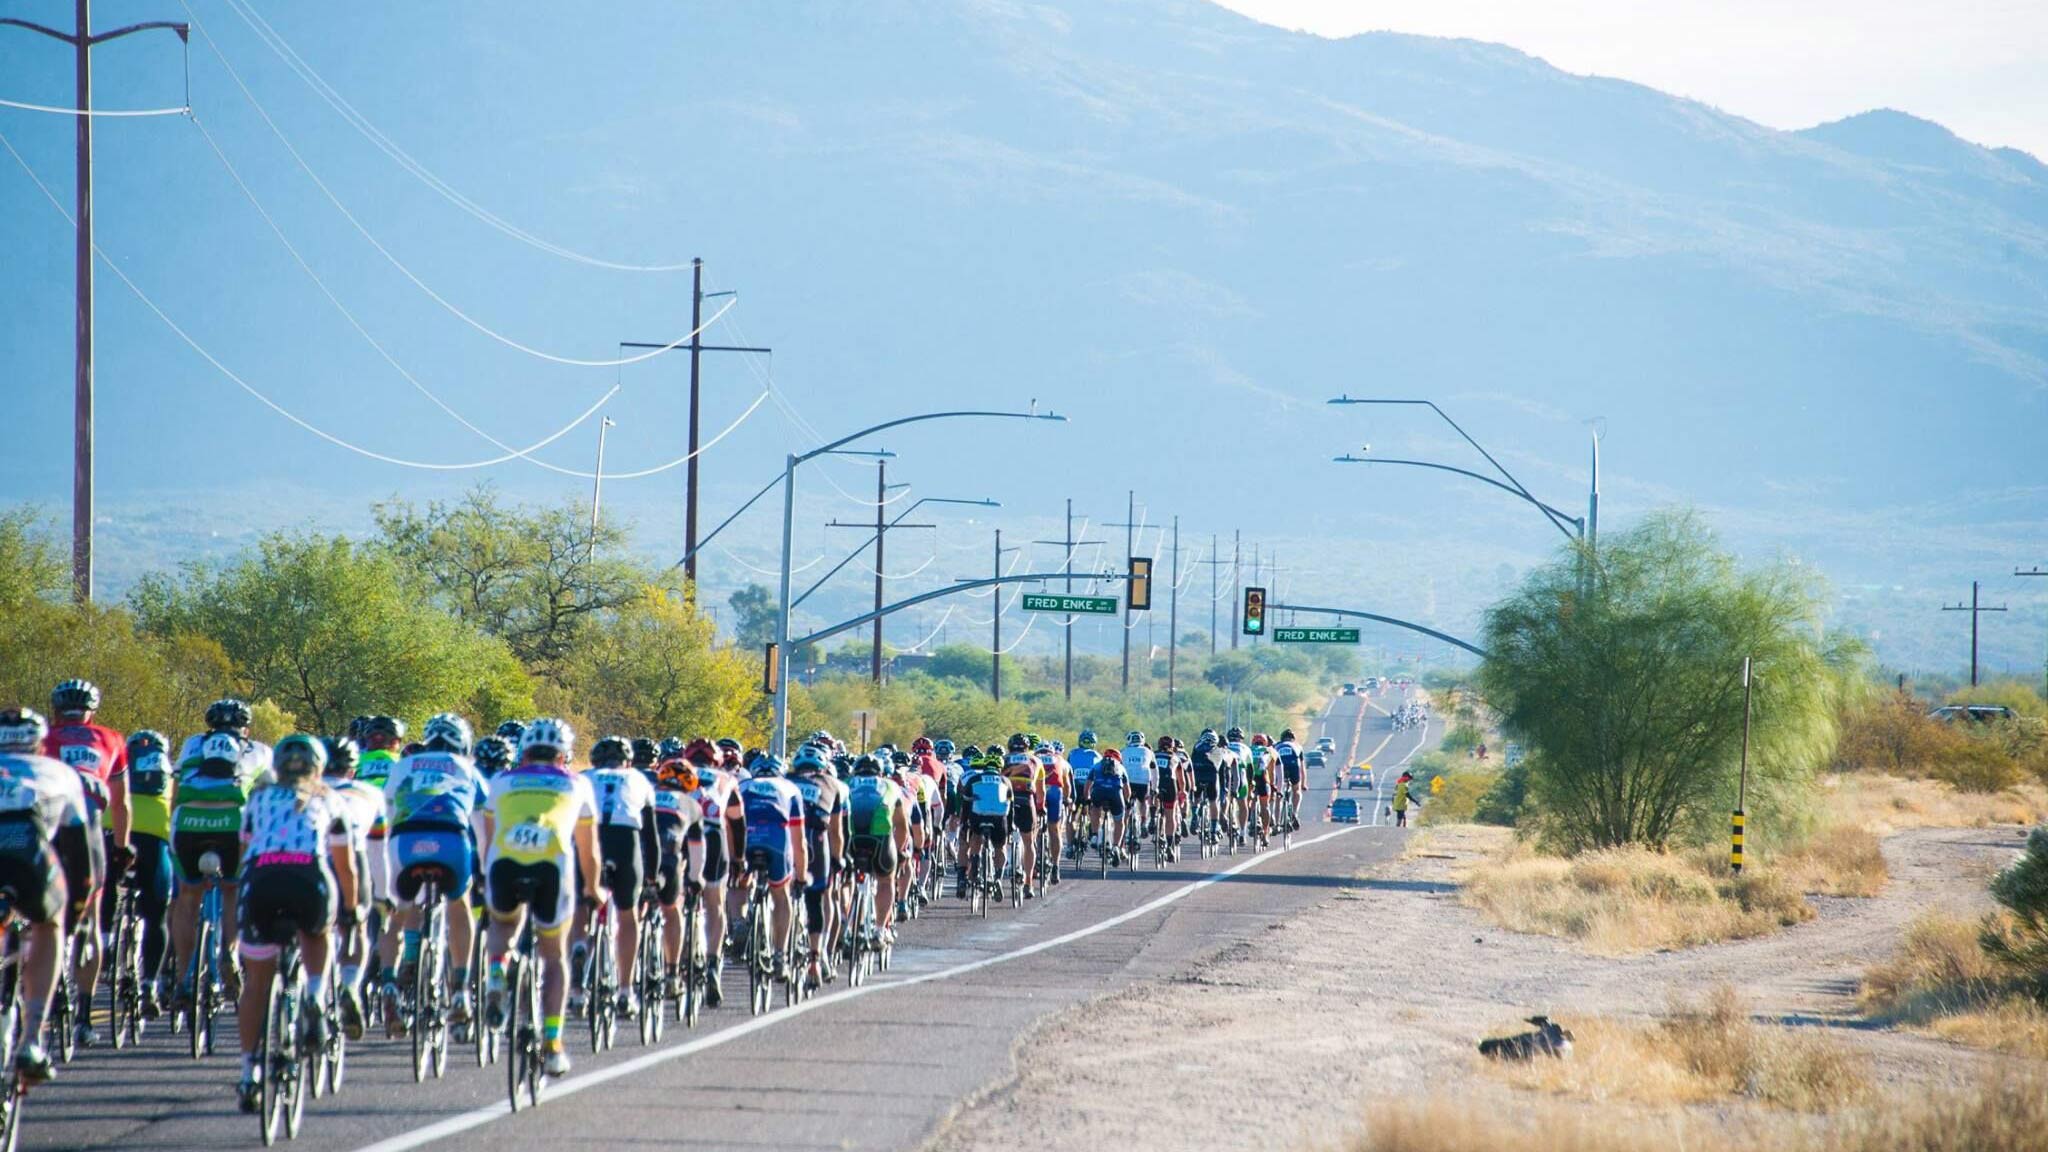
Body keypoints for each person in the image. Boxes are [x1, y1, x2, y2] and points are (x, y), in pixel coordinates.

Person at [233, 735, 356, 1114]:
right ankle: (317, 996)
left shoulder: (257, 800)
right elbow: (346, 866)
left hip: (262, 883)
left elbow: (244, 857)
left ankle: (249, 1070)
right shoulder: (332, 799)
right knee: (318, 933)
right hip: (308, 879)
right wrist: (351, 910)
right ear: (319, 768)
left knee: (256, 983)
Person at [480, 719, 604, 1078]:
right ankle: (553, 1043)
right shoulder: (577, 783)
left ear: (524, 751)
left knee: (504, 924)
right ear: (564, 754)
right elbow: (588, 851)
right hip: (552, 866)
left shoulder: (501, 781)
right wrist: (592, 888)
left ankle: (497, 971)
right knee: (554, 956)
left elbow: (489, 839)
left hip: (504, 863)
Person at [0, 708, 96, 1083]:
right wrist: (75, 916)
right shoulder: (60, 773)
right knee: (49, 925)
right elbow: (81, 858)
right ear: (40, 745)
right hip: (29, 858)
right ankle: (32, 1038)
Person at [380, 713, 486, 1032]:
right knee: (459, 903)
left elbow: (386, 812)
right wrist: (484, 866)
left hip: (405, 841)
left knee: (398, 910)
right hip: (451, 840)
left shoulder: (402, 766)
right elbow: (482, 825)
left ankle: (390, 980)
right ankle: (461, 990)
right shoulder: (468, 769)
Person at [170, 699, 273, 1018]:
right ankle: (229, 953)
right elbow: (268, 798)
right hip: (233, 824)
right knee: (232, 891)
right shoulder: (259, 750)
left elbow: (175, 792)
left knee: (187, 897)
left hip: (188, 823)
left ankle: (184, 978)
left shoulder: (192, 745)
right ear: (246, 728)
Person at [43, 679, 128, 1048]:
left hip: (48, 831)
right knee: (90, 918)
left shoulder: (42, 738)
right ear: (91, 711)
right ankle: (83, 1016)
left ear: (56, 711)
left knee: (38, 915)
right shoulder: (111, 739)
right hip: (89, 830)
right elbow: (122, 804)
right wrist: (123, 848)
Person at [584, 735, 659, 1016]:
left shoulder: (584, 778)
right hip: (625, 841)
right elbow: (650, 837)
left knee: (584, 906)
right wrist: (652, 878)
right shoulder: (639, 780)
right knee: (628, 915)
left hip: (593, 838)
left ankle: (579, 979)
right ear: (628, 762)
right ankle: (626, 990)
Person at [320, 735, 385, 1040]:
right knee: (356, 928)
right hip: (352, 861)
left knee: (313, 932)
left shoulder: (305, 793)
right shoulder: (370, 793)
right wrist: (385, 896)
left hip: (308, 862)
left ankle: (311, 992)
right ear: (353, 769)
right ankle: (348, 984)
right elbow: (378, 851)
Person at [120, 729, 177, 1019]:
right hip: (156, 841)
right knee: (157, 917)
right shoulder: (170, 778)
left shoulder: (119, 768)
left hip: (120, 836)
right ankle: (149, 983)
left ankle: (105, 943)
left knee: (99, 901)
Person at [736, 756, 807, 980]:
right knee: (781, 894)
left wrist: (734, 861)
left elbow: (731, 823)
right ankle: (780, 954)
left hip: (746, 835)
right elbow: (799, 840)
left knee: (738, 882)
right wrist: (802, 877)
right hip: (776, 839)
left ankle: (739, 921)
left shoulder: (743, 785)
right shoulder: (790, 788)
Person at [682, 739, 741, 1008]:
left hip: (681, 833)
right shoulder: (725, 778)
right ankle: (713, 964)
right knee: (714, 902)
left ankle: (680, 959)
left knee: (678, 899)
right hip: (714, 835)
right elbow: (737, 819)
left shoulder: (676, 771)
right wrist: (739, 858)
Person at [648, 753, 707, 1001]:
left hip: (641, 856)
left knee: (633, 911)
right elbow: (696, 847)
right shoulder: (691, 805)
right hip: (670, 858)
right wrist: (696, 879)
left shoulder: (647, 794)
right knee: (671, 911)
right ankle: (672, 973)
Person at [788, 745, 846, 988]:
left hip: (787, 839)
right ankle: (816, 956)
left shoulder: (786, 780)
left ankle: (778, 949)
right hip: (816, 840)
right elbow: (836, 831)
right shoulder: (832, 784)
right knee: (817, 897)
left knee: (779, 893)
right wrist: (838, 858)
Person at [843, 754, 909, 940]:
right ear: (881, 773)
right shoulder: (890, 786)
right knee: (886, 880)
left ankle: (844, 924)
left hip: (851, 837)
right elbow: (902, 826)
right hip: (879, 839)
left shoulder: (846, 783)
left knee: (846, 880)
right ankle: (880, 930)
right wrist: (899, 852)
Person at [955, 751, 1012, 899]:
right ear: (1000, 768)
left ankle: (975, 860)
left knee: (975, 839)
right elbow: (1010, 809)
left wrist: (964, 824)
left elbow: (966, 804)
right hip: (999, 819)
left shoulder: (974, 779)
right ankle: (998, 878)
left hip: (978, 818)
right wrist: (1010, 829)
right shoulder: (1005, 781)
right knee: (1000, 847)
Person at [1000, 736, 1045, 898]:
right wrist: (1040, 808)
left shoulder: (1003, 759)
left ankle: (997, 872)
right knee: (1029, 841)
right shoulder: (1036, 760)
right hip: (1026, 800)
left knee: (1001, 839)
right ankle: (1028, 882)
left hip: (1006, 800)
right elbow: (1041, 792)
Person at [1087, 748, 1131, 863]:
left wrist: (1087, 799)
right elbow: (1127, 790)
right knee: (1119, 821)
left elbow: (1088, 785)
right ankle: (1116, 846)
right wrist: (1126, 801)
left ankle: (1095, 835)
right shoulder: (1121, 767)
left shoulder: (1096, 766)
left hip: (1098, 792)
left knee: (1095, 809)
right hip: (1115, 794)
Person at [1121, 731, 1154, 840]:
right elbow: (1155, 771)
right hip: (1143, 781)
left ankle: (1124, 825)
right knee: (1143, 801)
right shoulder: (1148, 751)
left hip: (1127, 781)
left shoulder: (1123, 751)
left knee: (1126, 806)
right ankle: (1144, 822)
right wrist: (1154, 787)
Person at [1274, 728, 1305, 832]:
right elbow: (1302, 768)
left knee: (1278, 795)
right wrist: (1303, 784)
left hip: (1280, 767)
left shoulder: (1276, 746)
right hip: (1293, 766)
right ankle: (1294, 813)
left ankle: (1277, 823)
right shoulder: (1297, 746)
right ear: (1293, 739)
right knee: (1296, 791)